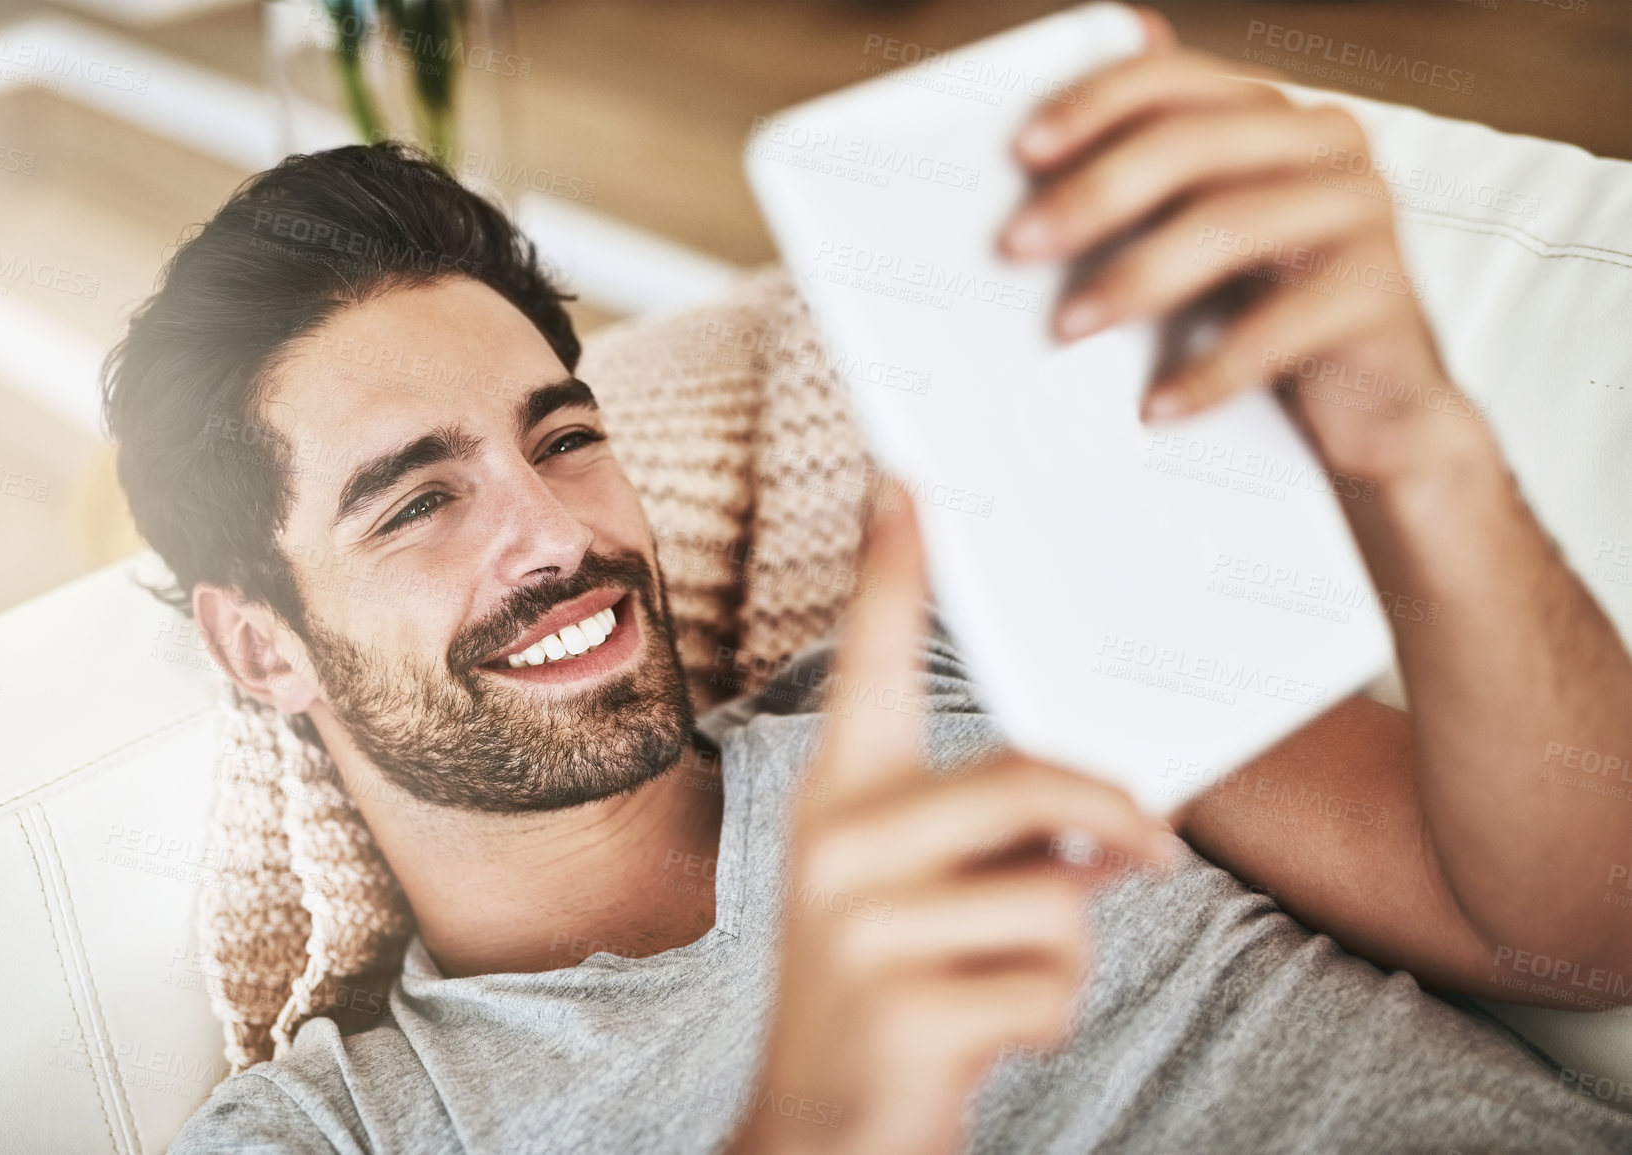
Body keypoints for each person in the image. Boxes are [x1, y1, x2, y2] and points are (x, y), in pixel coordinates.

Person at [106, 11, 1632, 1154]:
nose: (552, 532)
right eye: (418, 501)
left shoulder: (992, 667)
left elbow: (1588, 931)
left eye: (561, 436)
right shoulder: (348, 1132)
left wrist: (1421, 452)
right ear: (262, 647)